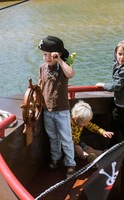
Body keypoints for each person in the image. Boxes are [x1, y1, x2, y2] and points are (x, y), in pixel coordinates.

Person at [37, 35, 76, 178]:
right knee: (53, 137)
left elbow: (70, 73)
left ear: (57, 54)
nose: (46, 57)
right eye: (44, 54)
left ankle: (70, 164)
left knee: (66, 138)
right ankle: (55, 158)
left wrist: (59, 59)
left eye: (49, 54)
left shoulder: (62, 67)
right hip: (47, 110)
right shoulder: (42, 67)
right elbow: (40, 84)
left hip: (62, 110)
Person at [96, 40, 124, 164]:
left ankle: (111, 153)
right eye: (119, 54)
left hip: (122, 106)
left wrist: (103, 85)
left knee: (113, 130)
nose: (122, 57)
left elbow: (115, 86)